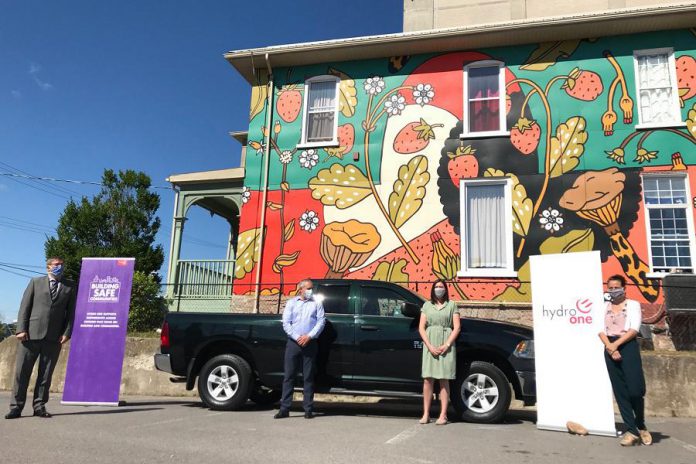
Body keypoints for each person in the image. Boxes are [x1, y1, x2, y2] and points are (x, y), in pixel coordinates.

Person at [5, 257, 76, 419]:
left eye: (62, 265)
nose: (60, 267)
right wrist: (20, 329)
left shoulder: (70, 286)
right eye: (56, 265)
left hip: (54, 338)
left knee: (45, 375)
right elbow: (25, 306)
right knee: (22, 373)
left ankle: (39, 406)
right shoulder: (35, 282)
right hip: (30, 335)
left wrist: (67, 332)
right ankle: (16, 407)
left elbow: (71, 313)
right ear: (48, 267)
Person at [599, 274, 652, 446]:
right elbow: (599, 329)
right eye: (610, 287)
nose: (613, 290)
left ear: (624, 288)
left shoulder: (633, 305)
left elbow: (634, 328)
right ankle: (631, 430)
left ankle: (640, 424)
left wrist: (617, 345)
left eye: (616, 287)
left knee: (636, 390)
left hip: (627, 346)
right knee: (620, 391)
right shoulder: (604, 306)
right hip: (609, 346)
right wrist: (609, 346)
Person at [274, 278, 325, 419]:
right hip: (293, 343)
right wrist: (297, 337)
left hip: (310, 343)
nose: (311, 291)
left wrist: (309, 336)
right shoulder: (291, 303)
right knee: (289, 376)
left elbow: (321, 321)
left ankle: (308, 409)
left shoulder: (317, 303)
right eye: (308, 288)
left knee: (308, 377)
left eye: (312, 288)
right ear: (300, 289)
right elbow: (286, 323)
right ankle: (284, 408)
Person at [418, 279, 461, 425]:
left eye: (441, 286)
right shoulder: (426, 305)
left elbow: (457, 327)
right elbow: (421, 328)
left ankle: (443, 415)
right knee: (428, 379)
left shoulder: (452, 305)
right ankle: (426, 414)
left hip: (446, 345)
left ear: (446, 289)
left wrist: (447, 344)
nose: (438, 289)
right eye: (436, 286)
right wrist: (429, 345)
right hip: (430, 344)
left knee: (444, 379)